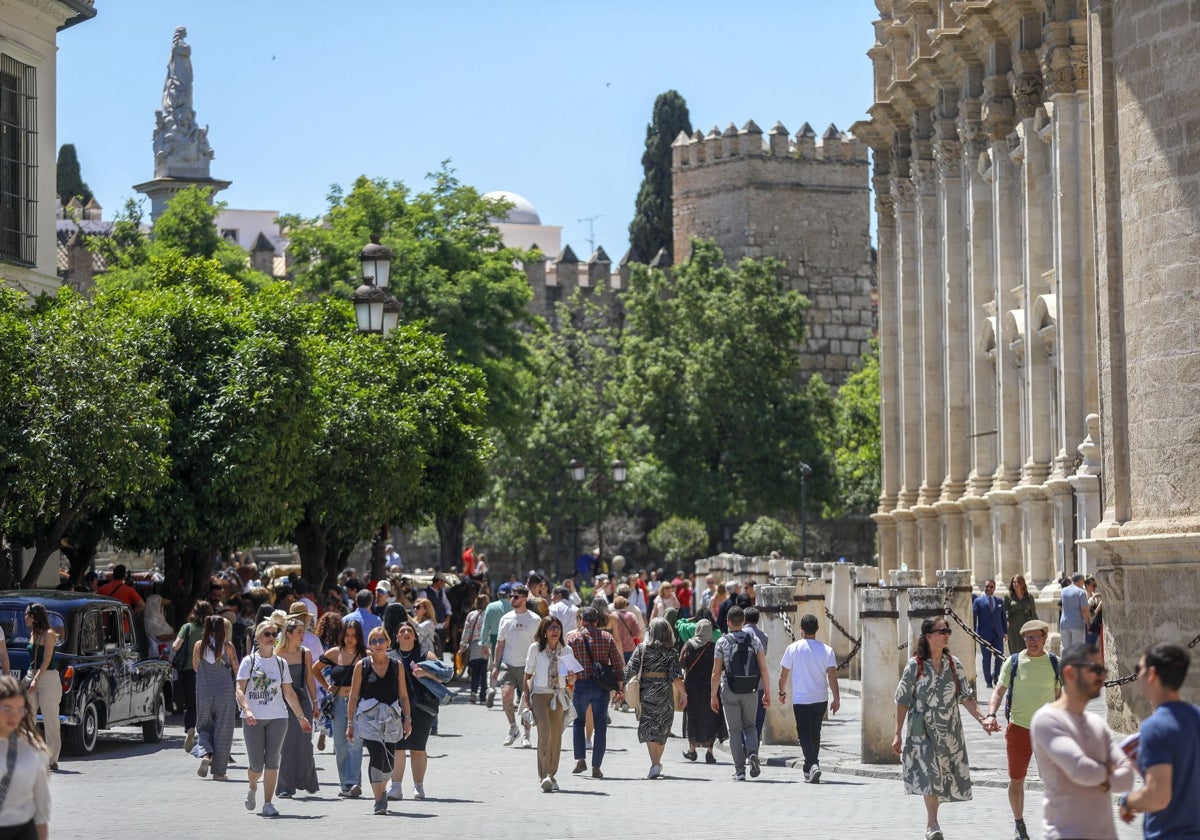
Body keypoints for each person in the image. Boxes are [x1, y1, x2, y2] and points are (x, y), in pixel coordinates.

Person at [894, 616, 993, 840]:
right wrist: (896, 734)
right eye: (941, 631)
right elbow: (901, 700)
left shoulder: (953, 664)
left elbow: (967, 697)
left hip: (949, 731)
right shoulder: (915, 665)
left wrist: (983, 719)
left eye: (948, 630)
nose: (946, 634)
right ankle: (933, 823)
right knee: (930, 774)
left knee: (941, 776)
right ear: (928, 636)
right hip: (922, 732)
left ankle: (933, 821)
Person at [1030, 642, 1133, 840]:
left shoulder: (1097, 723)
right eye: (1094, 669)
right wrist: (1110, 770)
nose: (1101, 676)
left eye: (1102, 669)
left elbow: (1127, 778)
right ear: (1070, 673)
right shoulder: (1047, 720)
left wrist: (1097, 774)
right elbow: (1081, 770)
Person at [984, 619, 1063, 840]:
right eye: (1028, 637)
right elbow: (999, 691)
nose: (1032, 641)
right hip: (1018, 728)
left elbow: (1059, 696)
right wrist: (991, 714)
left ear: (1045, 638)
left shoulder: (1055, 663)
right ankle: (1019, 825)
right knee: (1016, 778)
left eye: (1036, 636)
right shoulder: (1014, 661)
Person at [1119, 642, 1200, 838]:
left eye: (1140, 669)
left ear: (1152, 674)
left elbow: (1158, 797)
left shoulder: (1154, 728)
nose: (1138, 676)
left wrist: (1127, 802)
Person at [236, 620, 313, 818]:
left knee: (272, 762)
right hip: (253, 718)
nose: (271, 637)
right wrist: (247, 709)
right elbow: (239, 690)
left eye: (274, 634)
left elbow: (288, 693)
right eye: (267, 634)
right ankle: (252, 785)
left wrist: (301, 717)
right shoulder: (249, 662)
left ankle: (268, 803)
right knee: (256, 764)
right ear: (258, 638)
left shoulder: (281, 663)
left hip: (278, 717)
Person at [346, 626, 412, 816]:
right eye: (373, 641)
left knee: (389, 763)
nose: (377, 644)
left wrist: (407, 719)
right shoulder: (363, 666)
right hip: (369, 719)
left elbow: (404, 695)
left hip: (391, 718)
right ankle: (378, 801)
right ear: (369, 645)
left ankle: (382, 789)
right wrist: (350, 723)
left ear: (388, 643)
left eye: (381, 640)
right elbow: (353, 696)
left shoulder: (396, 665)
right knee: (376, 757)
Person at [778, 612, 841, 783]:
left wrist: (781, 692)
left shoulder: (793, 648)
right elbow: (832, 677)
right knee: (815, 732)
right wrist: (837, 698)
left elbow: (784, 674)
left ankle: (813, 764)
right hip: (821, 698)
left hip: (801, 699)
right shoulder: (827, 650)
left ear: (801, 630)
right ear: (817, 629)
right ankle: (809, 768)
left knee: (804, 734)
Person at [711, 605, 770, 781]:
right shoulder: (754, 640)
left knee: (735, 730)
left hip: (729, 689)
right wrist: (767, 692)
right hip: (751, 689)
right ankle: (752, 752)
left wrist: (713, 695)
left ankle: (740, 770)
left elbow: (716, 672)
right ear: (743, 621)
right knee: (750, 726)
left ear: (728, 622)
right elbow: (763, 669)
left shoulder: (722, 642)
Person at [523, 616, 583, 792]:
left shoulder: (566, 651)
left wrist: (572, 679)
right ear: (544, 631)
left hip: (559, 695)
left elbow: (570, 679)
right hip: (540, 695)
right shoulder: (535, 649)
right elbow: (527, 676)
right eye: (550, 628)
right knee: (545, 733)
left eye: (557, 628)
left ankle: (552, 774)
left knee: (556, 736)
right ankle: (544, 775)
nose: (554, 631)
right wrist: (527, 702)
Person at [566, 606, 626, 778]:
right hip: (602, 687)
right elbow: (617, 663)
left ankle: (580, 760)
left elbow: (566, 664)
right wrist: (620, 688)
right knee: (600, 727)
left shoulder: (572, 638)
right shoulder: (607, 637)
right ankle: (596, 767)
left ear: (581, 620)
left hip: (581, 684)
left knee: (578, 722)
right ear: (597, 621)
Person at [625, 617, 685, 779]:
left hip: (646, 693)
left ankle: (655, 763)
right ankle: (656, 763)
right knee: (663, 728)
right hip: (665, 694)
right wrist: (684, 694)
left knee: (649, 726)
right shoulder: (671, 652)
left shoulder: (641, 649)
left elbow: (629, 670)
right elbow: (676, 676)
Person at [388, 620, 440, 801]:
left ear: (415, 636)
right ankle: (396, 787)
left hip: (421, 707)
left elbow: (444, 677)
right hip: (395, 708)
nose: (405, 633)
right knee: (398, 747)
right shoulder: (389, 656)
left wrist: (426, 673)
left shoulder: (425, 655)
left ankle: (419, 786)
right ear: (396, 637)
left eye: (409, 630)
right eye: (401, 631)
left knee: (418, 748)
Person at [274, 618, 320, 799]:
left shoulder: (305, 653)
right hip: (283, 704)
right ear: (289, 634)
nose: (302, 636)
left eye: (303, 631)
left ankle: (307, 781)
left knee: (305, 744)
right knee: (287, 745)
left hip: (303, 702)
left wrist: (315, 702)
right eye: (299, 632)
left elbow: (309, 679)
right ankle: (285, 787)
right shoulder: (277, 654)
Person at [319, 620, 366, 797]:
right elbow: (315, 669)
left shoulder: (364, 655)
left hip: (358, 703)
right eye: (347, 635)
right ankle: (345, 784)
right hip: (338, 702)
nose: (350, 638)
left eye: (354, 635)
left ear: (359, 636)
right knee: (340, 744)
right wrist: (326, 686)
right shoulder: (334, 653)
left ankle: (354, 782)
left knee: (356, 743)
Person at [0, 675, 50, 839]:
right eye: (7, 709)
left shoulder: (33, 747)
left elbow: (41, 805)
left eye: (19, 710)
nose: (13, 716)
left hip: (23, 831)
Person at [492, 584, 540, 748]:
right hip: (508, 664)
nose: (512, 599)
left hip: (527, 667)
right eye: (511, 596)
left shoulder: (535, 619)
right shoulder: (505, 618)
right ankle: (513, 728)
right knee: (506, 698)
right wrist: (495, 665)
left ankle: (526, 735)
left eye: (516, 596)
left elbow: (538, 645)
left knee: (527, 704)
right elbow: (500, 644)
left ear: (525, 598)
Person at [191, 614, 237, 781]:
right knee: (223, 730)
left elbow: (196, 666)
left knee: (204, 726)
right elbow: (236, 667)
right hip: (224, 692)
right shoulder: (228, 646)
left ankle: (205, 755)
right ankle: (219, 772)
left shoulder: (199, 645)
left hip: (204, 691)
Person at [679, 618, 723, 764]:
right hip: (710, 687)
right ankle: (710, 752)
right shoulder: (714, 647)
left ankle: (692, 750)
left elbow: (682, 662)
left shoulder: (689, 645)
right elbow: (720, 666)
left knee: (693, 716)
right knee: (711, 717)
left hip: (692, 686)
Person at [23, 604, 61, 772]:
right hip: (33, 675)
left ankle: (52, 759)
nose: (25, 618)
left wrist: (36, 680)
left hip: (48, 678)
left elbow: (46, 660)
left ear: (35, 616)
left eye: (27, 615)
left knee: (50, 718)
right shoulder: (33, 633)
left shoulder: (49, 634)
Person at [480, 582, 514, 708]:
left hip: (495, 638)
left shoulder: (491, 606)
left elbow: (485, 627)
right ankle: (509, 693)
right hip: (511, 639)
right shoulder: (513, 606)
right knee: (510, 665)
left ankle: (492, 688)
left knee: (494, 665)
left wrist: (483, 643)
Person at [973, 579, 1008, 688]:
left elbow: (1003, 618)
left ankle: (996, 674)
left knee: (1000, 656)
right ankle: (988, 680)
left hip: (998, 633)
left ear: (994, 588)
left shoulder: (999, 601)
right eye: (987, 586)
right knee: (986, 658)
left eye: (991, 587)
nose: (989, 589)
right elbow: (974, 618)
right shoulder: (978, 601)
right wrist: (974, 633)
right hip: (984, 634)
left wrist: (1005, 633)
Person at [459, 593, 490, 703]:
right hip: (487, 645)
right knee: (484, 672)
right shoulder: (489, 614)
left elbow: (466, 631)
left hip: (474, 645)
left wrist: (462, 645)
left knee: (475, 671)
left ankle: (473, 693)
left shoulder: (471, 615)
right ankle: (482, 696)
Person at [1004, 575, 1038, 657]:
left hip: (1026, 625)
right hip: (1013, 627)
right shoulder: (1008, 596)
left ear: (1022, 583)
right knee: (1015, 650)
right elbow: (1005, 612)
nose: (1015, 584)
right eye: (1014, 582)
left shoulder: (1029, 597)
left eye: (1018, 582)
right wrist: (1005, 625)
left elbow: (1033, 613)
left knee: (1027, 648)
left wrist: (1036, 627)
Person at [1058, 573, 1089, 652]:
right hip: (1077, 624)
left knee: (1066, 650)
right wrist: (1089, 625)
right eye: (1083, 581)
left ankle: (1066, 664)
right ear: (1080, 580)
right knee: (1078, 651)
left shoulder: (1063, 591)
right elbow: (1084, 611)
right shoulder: (1081, 592)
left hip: (1064, 624)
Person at [1084, 576, 1103, 648]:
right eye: (1093, 585)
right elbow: (1086, 610)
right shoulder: (1084, 595)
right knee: (1088, 647)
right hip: (1087, 625)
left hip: (1094, 625)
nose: (1095, 587)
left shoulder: (1093, 595)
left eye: (1096, 585)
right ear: (1087, 585)